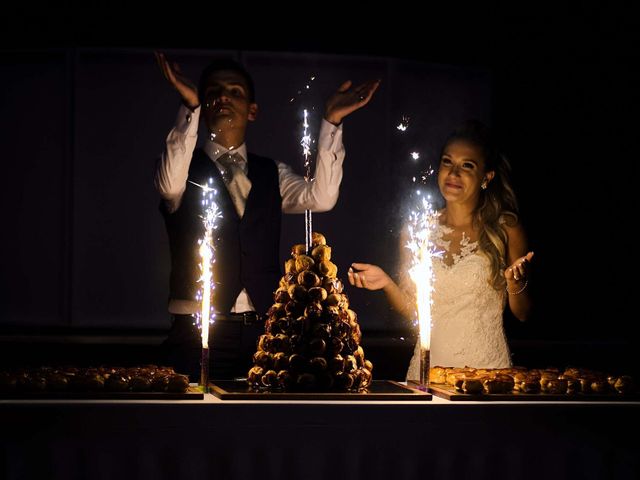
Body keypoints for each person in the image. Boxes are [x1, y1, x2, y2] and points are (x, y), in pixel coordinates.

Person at [154, 52, 380, 380]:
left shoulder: (271, 173)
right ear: (203, 106)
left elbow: (322, 197)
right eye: (213, 92)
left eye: (235, 92)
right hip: (195, 332)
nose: (223, 97)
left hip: (264, 333)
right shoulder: (182, 170)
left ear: (253, 110)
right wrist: (189, 108)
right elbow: (168, 183)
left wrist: (331, 121)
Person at [347, 120, 533, 379]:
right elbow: (415, 310)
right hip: (428, 370)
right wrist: (386, 283)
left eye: (467, 165)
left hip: (486, 371)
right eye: (447, 162)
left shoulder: (506, 228)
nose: (453, 173)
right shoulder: (419, 229)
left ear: (486, 177)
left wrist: (516, 283)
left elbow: (523, 314)